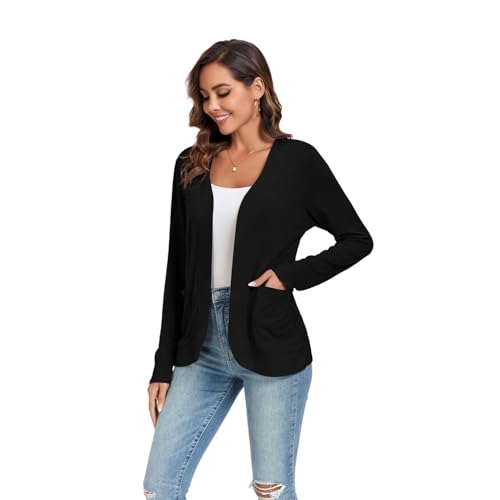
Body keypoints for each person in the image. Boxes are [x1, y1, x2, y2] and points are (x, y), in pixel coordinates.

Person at [143, 39, 373, 500]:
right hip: (199, 347)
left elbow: (356, 239)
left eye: (223, 92)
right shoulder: (191, 165)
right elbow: (177, 271)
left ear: (257, 88)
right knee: (160, 487)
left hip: (271, 342)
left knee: (271, 490)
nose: (212, 105)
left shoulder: (298, 162)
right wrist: (162, 364)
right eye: (204, 96)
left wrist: (291, 276)